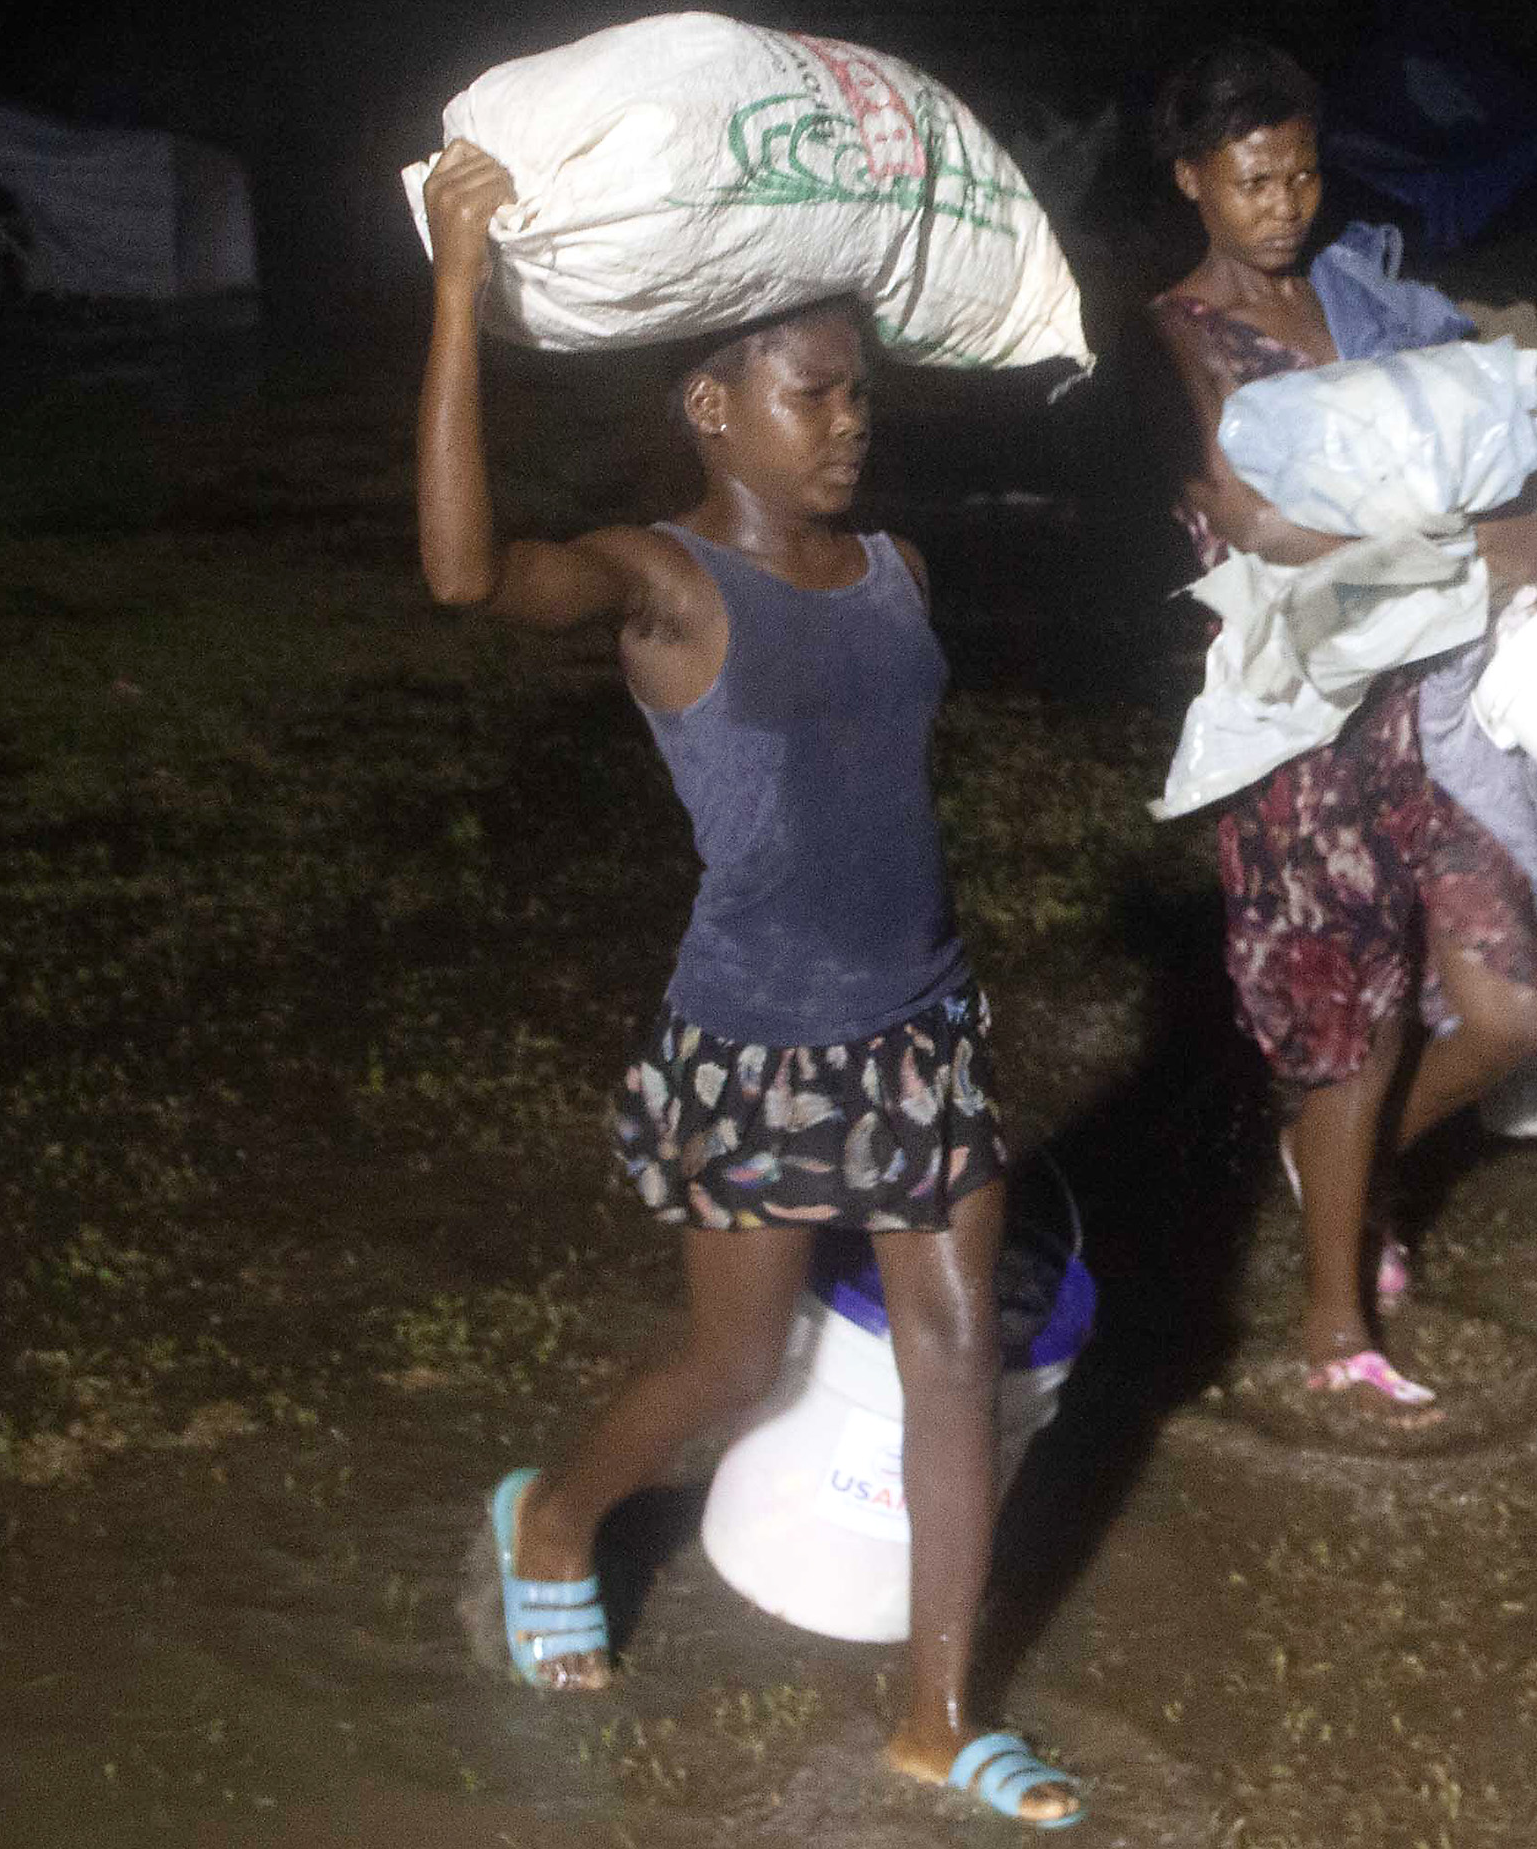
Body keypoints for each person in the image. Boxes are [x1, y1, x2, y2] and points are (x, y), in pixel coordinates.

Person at [416, 143, 1082, 1831]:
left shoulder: (901, 573)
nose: (853, 423)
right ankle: (555, 1519)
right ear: (714, 406)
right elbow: (466, 576)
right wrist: (457, 290)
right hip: (760, 1043)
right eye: (815, 394)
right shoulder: (662, 584)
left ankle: (935, 1718)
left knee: (956, 1357)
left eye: (863, 394)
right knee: (740, 1367)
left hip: (924, 1029)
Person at [1146, 40, 1537, 1410]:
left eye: (1304, 173)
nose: (1285, 205)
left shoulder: (1357, 301)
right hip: (1302, 729)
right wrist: (1470, 541)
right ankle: (1337, 1330)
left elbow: (1478, 430)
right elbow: (1260, 517)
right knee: (1357, 1029)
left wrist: (1518, 520)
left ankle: (1333, 1173)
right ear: (1192, 184)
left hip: (1423, 713)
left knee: (1512, 1004)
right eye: (1252, 179)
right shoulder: (1180, 332)